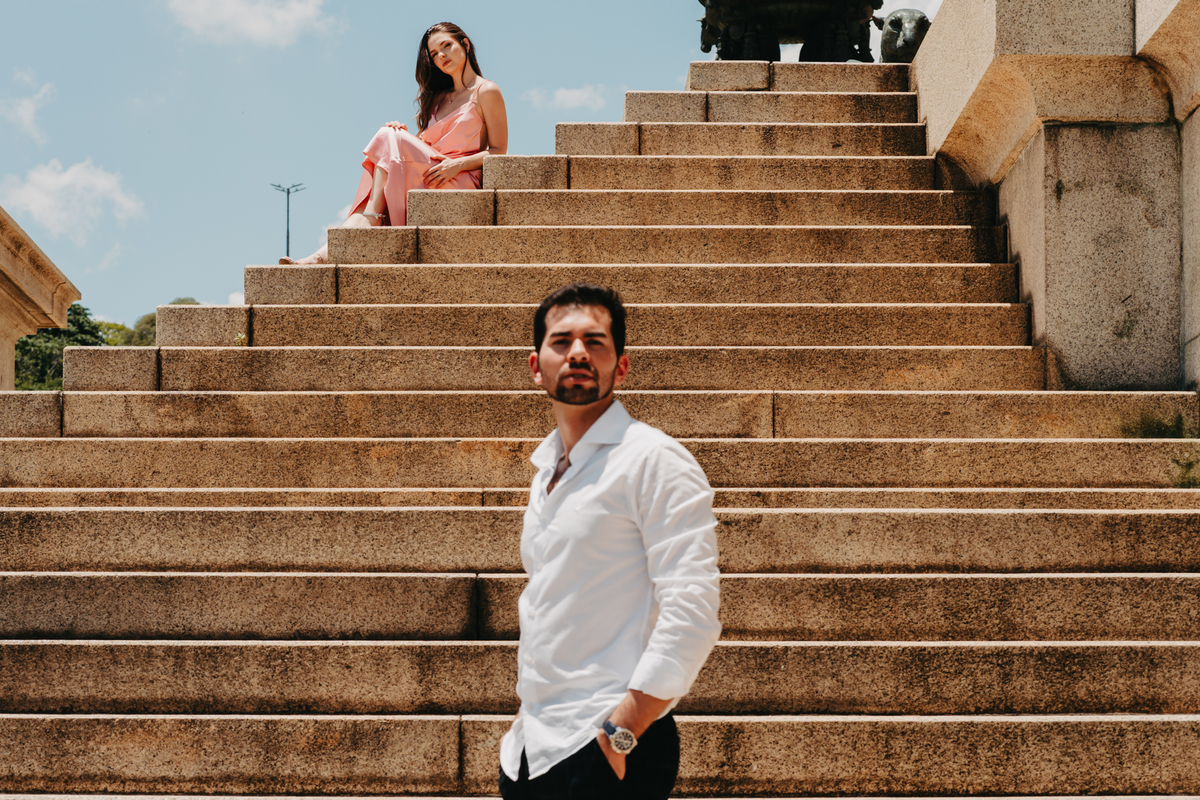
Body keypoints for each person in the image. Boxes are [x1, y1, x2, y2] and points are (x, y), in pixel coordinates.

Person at [498, 283, 722, 800]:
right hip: (532, 750)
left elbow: (692, 608)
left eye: (595, 342)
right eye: (562, 341)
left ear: (621, 367)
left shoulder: (653, 460)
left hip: (608, 745)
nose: (578, 353)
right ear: (536, 367)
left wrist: (621, 734)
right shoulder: (546, 472)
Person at [282, 22, 507, 264]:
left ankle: (372, 217)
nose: (441, 55)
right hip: (430, 174)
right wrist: (403, 135)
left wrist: (457, 165)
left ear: (465, 44)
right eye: (434, 54)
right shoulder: (438, 98)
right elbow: (429, 145)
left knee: (387, 140)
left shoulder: (486, 91)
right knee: (389, 135)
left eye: (446, 46)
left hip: (458, 178)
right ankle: (319, 256)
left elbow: (498, 151)